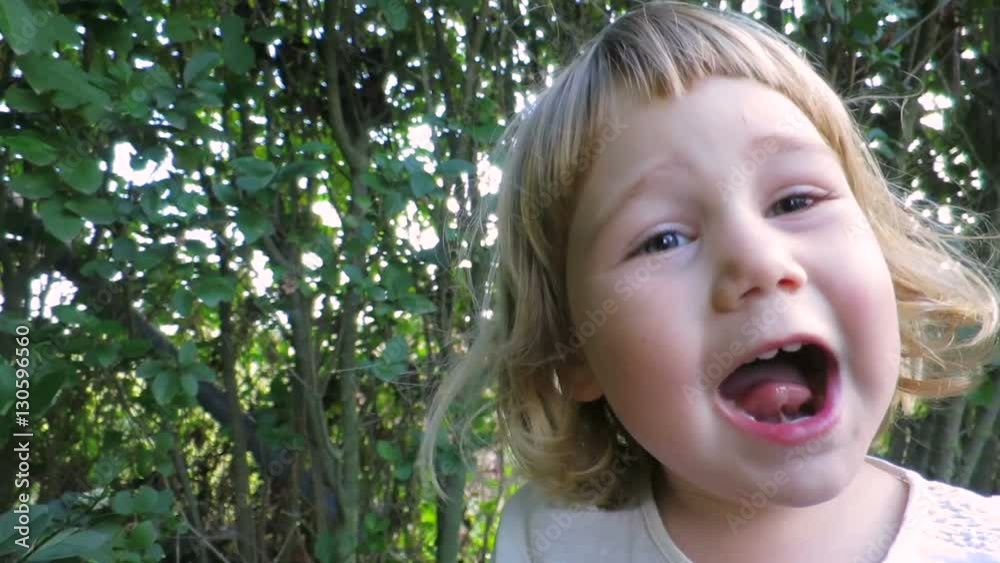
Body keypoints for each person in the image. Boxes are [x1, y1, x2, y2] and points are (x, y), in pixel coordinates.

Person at [418, 2, 1000, 561]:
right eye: (663, 239)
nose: (759, 261)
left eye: (795, 201)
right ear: (573, 351)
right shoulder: (552, 542)